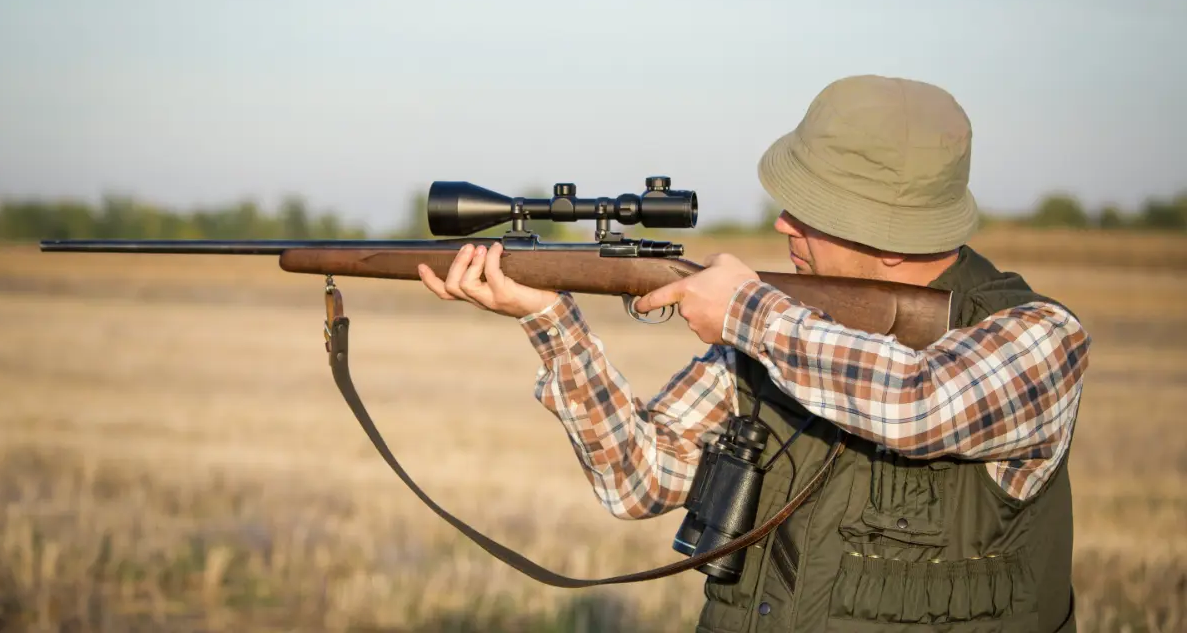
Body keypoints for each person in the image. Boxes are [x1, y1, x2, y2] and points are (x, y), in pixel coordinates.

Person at [418, 75, 1090, 633]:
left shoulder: (1037, 338)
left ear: (889, 237)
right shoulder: (786, 326)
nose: (781, 223)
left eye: (811, 210)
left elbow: (916, 403)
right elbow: (638, 479)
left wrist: (745, 311)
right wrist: (551, 319)